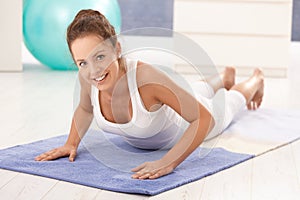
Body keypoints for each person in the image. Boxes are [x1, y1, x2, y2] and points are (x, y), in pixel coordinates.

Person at [35, 9, 264, 180]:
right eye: (82, 62)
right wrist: (70, 142)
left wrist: (168, 162)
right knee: (194, 89)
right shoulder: (89, 77)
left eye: (100, 57)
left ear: (116, 48)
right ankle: (223, 77)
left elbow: (204, 118)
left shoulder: (147, 80)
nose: (93, 70)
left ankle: (254, 80)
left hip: (186, 123)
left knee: (229, 104)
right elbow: (85, 109)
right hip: (172, 98)